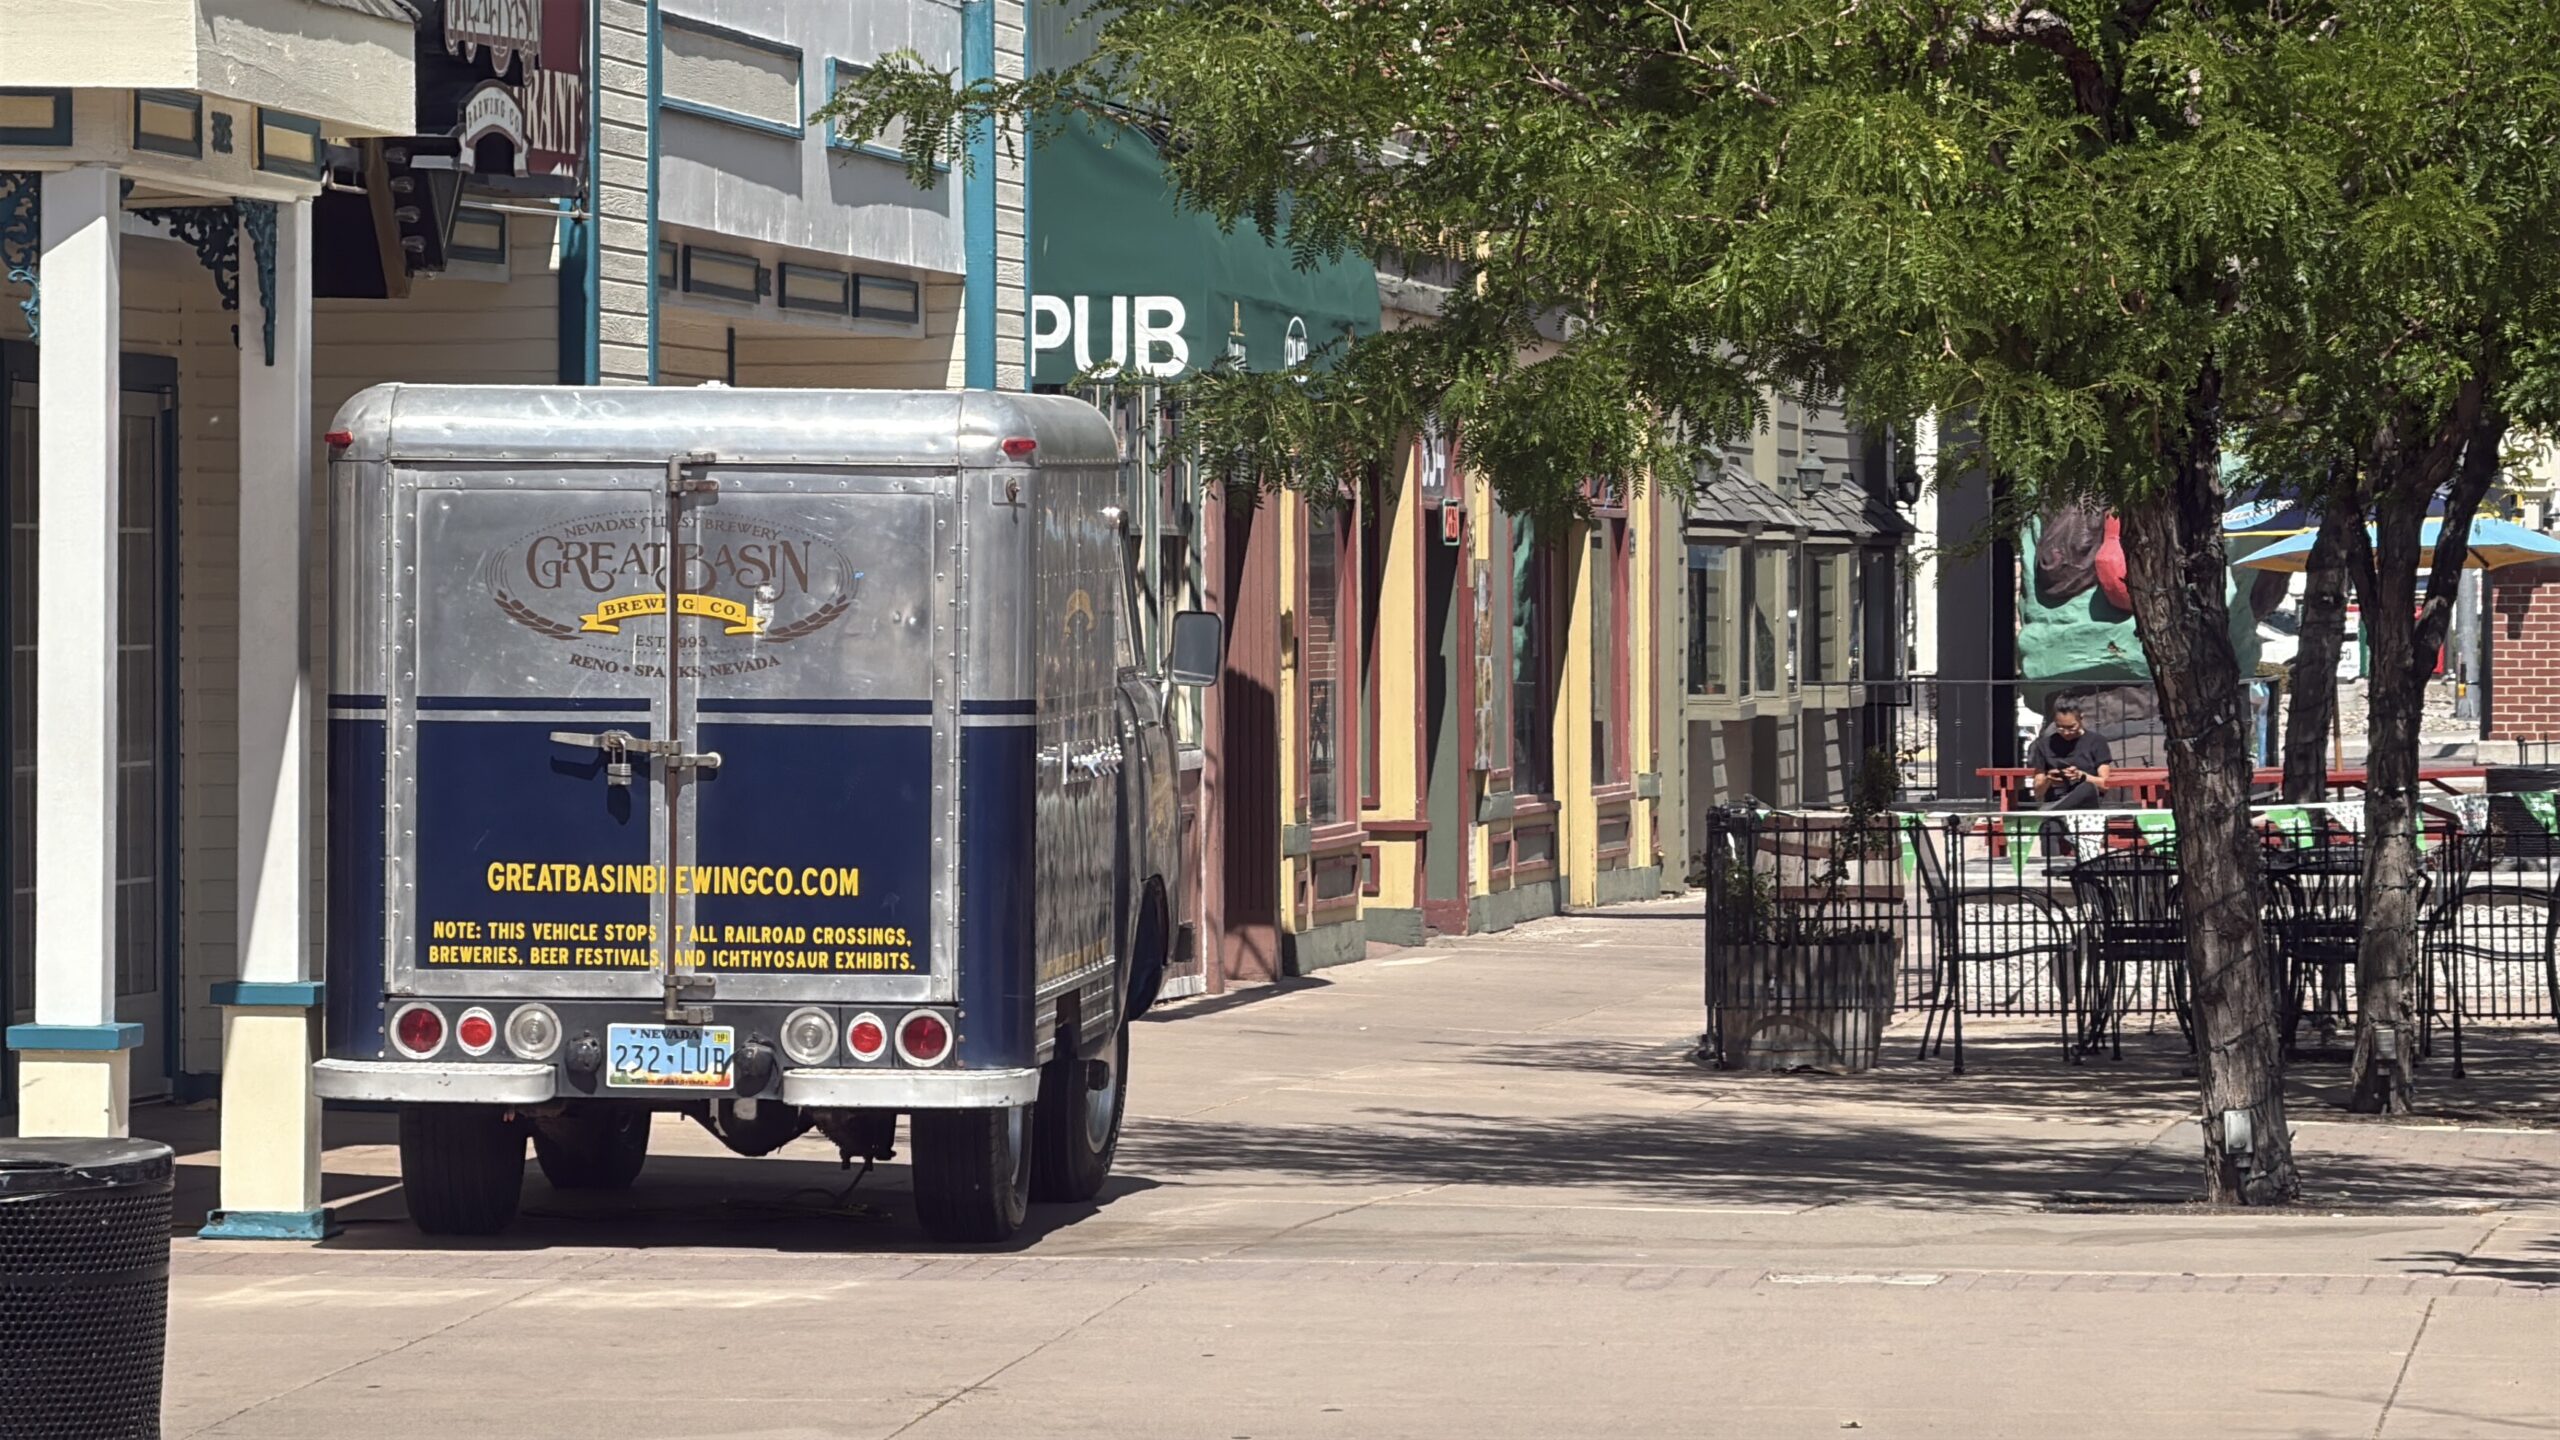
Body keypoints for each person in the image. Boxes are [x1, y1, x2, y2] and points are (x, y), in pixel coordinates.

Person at [2028, 700, 2114, 810]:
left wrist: (2082, 776)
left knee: (2087, 787)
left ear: (2081, 718)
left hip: (2086, 804)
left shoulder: (2097, 741)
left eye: (2071, 727)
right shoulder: (2043, 744)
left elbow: (2105, 785)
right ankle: (2060, 807)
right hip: (2055, 800)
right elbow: (2038, 791)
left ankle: (2059, 808)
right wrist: (2049, 780)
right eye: (2060, 727)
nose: (2066, 732)